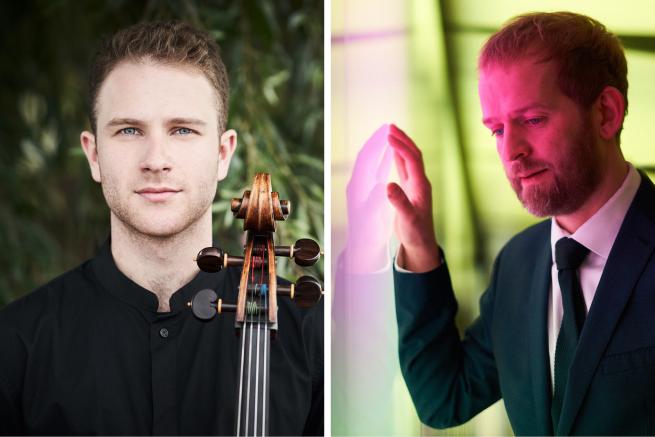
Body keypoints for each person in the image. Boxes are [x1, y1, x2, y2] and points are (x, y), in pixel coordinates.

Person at [0, 21, 323, 435]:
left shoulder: (312, 340)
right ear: (94, 154)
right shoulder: (16, 346)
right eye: (130, 130)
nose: (156, 159)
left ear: (223, 154)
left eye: (183, 130)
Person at [389, 12, 655, 435]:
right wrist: (419, 245)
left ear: (606, 113)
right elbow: (443, 399)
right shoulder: (517, 263)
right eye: (496, 129)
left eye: (532, 120)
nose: (510, 150)